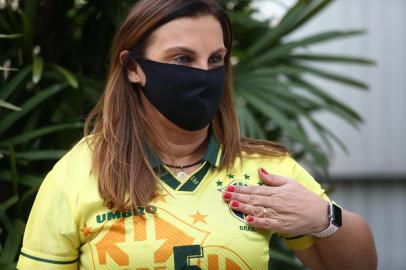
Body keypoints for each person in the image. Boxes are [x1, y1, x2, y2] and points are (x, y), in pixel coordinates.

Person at [17, 0, 377, 269]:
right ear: (133, 68)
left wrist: (324, 217)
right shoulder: (79, 173)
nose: (204, 75)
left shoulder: (264, 168)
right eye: (182, 59)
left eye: (215, 59)